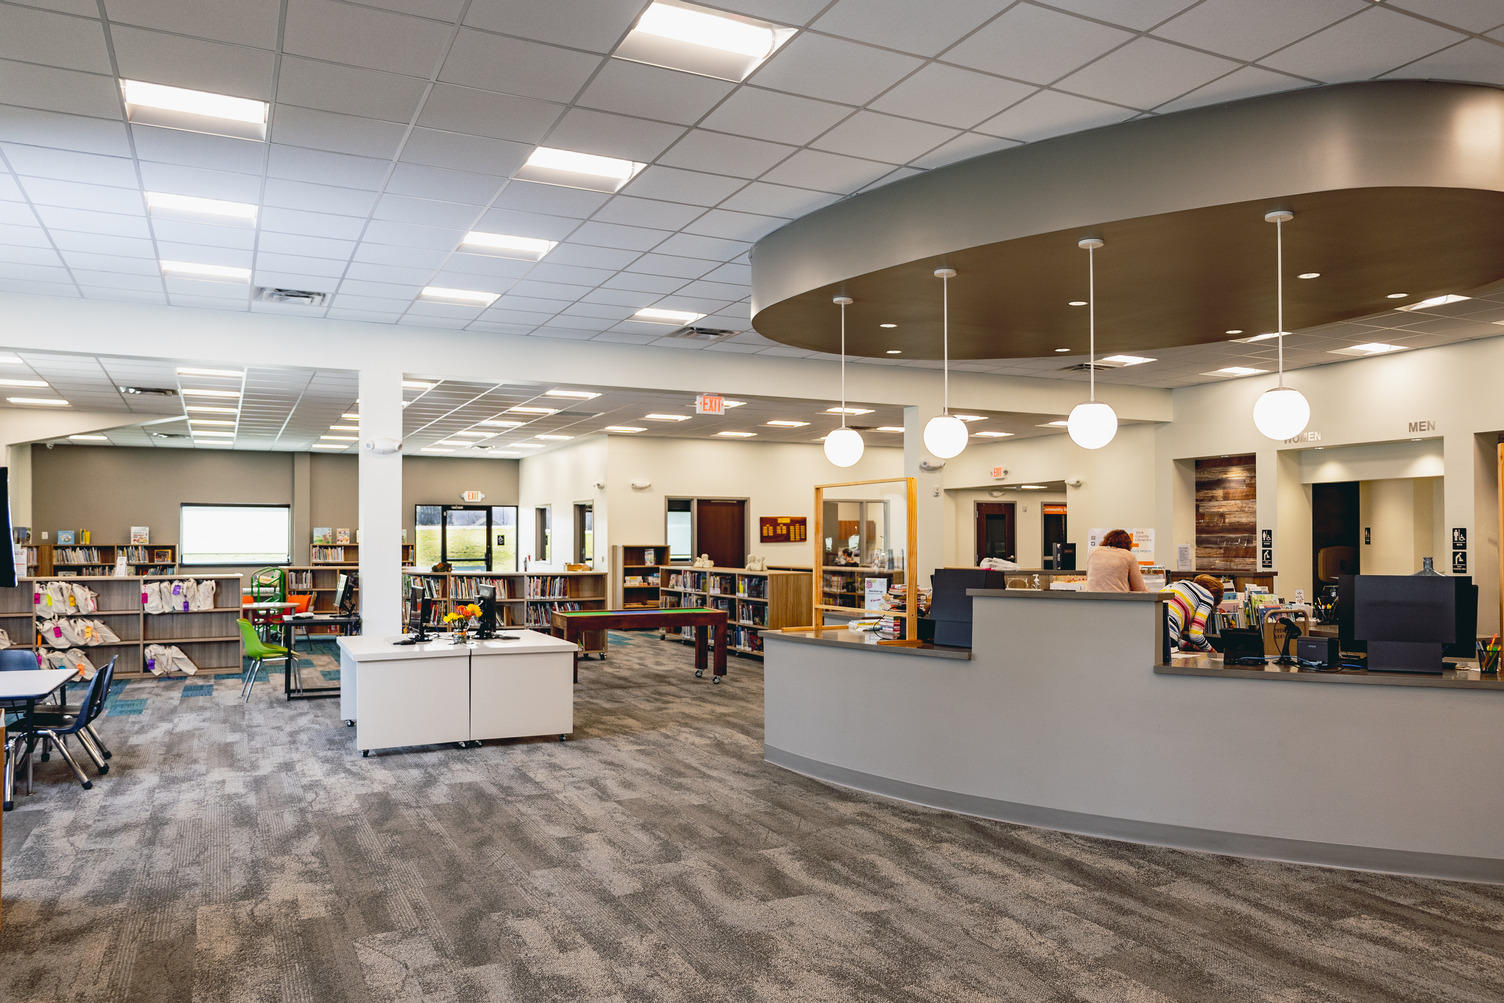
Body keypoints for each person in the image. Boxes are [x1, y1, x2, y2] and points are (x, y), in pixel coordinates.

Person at [1162, 574, 1226, 651]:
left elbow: (1169, 639)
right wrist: (1213, 652)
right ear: (1215, 595)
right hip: (1165, 632)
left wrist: (1191, 646)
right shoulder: (1207, 596)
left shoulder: (1174, 585)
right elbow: (1195, 635)